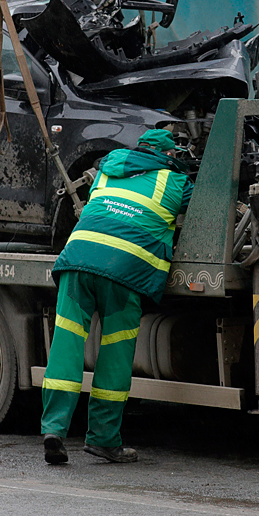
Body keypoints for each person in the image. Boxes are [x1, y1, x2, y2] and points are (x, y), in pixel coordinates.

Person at [40, 128, 192, 465]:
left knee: (66, 344)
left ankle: (53, 429)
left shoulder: (107, 170)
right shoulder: (175, 182)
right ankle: (104, 440)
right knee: (114, 353)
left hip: (78, 259)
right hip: (124, 271)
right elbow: (201, 209)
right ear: (169, 155)